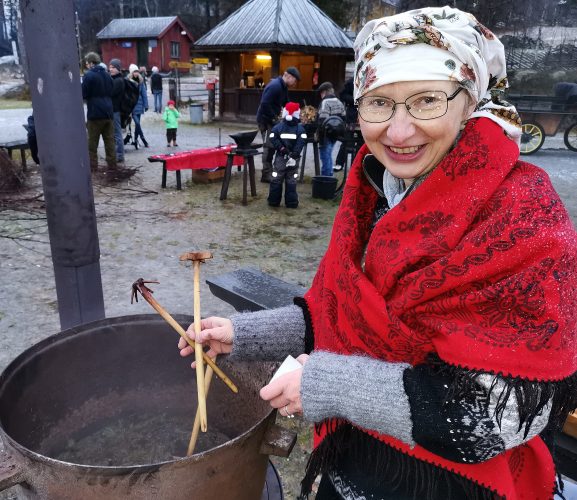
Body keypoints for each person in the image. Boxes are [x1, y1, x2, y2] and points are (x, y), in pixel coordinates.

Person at [179, 6, 577, 500]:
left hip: (450, 485)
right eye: (379, 103)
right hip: (355, 465)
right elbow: (339, 313)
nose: (399, 131)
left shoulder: (522, 217)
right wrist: (242, 334)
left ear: (469, 102)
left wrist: (326, 384)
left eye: (427, 100)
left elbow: (496, 415)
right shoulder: (373, 191)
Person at [256, 66, 300, 183]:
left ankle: (271, 171)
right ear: (288, 76)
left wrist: (295, 109)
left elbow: (286, 102)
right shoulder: (275, 86)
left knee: (274, 146)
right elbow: (265, 104)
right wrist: (275, 118)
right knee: (269, 147)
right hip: (265, 121)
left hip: (272, 120)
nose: (294, 83)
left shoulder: (283, 87)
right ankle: (266, 174)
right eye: (294, 80)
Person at [81, 51, 117, 172]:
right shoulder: (107, 75)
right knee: (110, 142)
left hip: (95, 113)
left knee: (92, 144)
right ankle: (112, 167)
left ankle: (93, 169)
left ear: (91, 63)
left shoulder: (89, 75)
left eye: (87, 63)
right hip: (108, 112)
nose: (86, 65)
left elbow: (84, 93)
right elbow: (112, 90)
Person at [267, 102, 307, 208]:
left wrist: (282, 148)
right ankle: (292, 203)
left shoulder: (278, 127)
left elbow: (272, 138)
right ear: (297, 115)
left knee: (276, 178)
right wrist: (294, 154)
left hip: (281, 157)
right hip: (294, 159)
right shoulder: (300, 129)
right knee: (291, 179)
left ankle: (273, 201)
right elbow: (301, 141)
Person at [316, 81, 345, 176]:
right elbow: (344, 118)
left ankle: (326, 179)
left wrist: (319, 137)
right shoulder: (339, 102)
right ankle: (330, 177)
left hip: (325, 134)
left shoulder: (325, 102)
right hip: (335, 134)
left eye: (321, 93)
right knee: (329, 155)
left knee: (325, 157)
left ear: (324, 92)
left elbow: (322, 121)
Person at [334, 77, 357, 172]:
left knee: (362, 141)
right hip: (352, 115)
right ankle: (339, 163)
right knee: (347, 139)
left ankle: (357, 165)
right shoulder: (351, 81)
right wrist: (355, 100)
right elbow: (342, 95)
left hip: (365, 114)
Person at [108, 58, 125, 164]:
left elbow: (111, 93)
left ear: (118, 69)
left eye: (113, 67)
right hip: (112, 109)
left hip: (115, 110)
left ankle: (119, 155)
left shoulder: (118, 80)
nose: (111, 69)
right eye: (110, 67)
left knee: (117, 133)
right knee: (114, 133)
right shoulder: (113, 79)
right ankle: (116, 153)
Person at [129, 64, 149, 148]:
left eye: (137, 71)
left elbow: (144, 94)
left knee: (138, 124)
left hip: (139, 105)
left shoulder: (141, 81)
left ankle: (136, 140)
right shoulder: (128, 81)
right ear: (131, 72)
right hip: (132, 106)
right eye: (134, 72)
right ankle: (143, 138)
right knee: (137, 123)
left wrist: (146, 105)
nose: (136, 73)